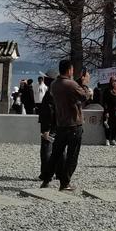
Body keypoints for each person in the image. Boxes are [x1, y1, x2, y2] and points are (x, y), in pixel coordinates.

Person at [41, 59, 91, 191]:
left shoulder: (54, 84)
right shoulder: (71, 84)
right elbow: (84, 97)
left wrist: (78, 83)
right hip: (74, 123)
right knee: (72, 155)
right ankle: (65, 182)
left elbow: (69, 94)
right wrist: (84, 84)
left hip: (61, 123)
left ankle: (46, 179)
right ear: (69, 70)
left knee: (55, 154)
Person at [37, 73, 55, 180]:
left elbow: (49, 113)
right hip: (56, 125)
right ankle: (59, 171)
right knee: (58, 150)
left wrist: (47, 128)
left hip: (48, 127)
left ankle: (46, 173)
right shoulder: (56, 94)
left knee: (46, 150)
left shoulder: (49, 95)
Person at [100, 76, 116, 146]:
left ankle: (113, 139)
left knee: (115, 126)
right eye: (113, 81)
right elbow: (104, 102)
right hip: (108, 110)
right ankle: (107, 139)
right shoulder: (107, 90)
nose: (115, 82)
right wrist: (106, 111)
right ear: (111, 82)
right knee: (108, 125)